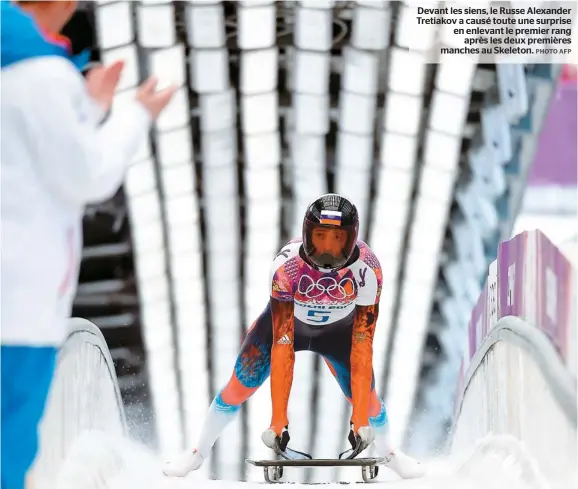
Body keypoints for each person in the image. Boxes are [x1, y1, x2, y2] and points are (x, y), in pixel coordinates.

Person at [1, 2, 176, 488]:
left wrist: (89, 106)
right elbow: (86, 173)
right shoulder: (40, 70)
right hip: (18, 303)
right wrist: (133, 115)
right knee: (9, 442)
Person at [163, 194, 426, 480]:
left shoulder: (368, 270)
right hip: (284, 330)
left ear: (352, 239)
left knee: (370, 402)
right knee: (238, 388)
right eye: (321, 237)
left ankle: (390, 452)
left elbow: (362, 346)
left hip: (338, 333)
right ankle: (197, 453)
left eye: (337, 239)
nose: (327, 250)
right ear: (306, 234)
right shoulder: (285, 269)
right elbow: (282, 346)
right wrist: (278, 421)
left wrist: (360, 416)